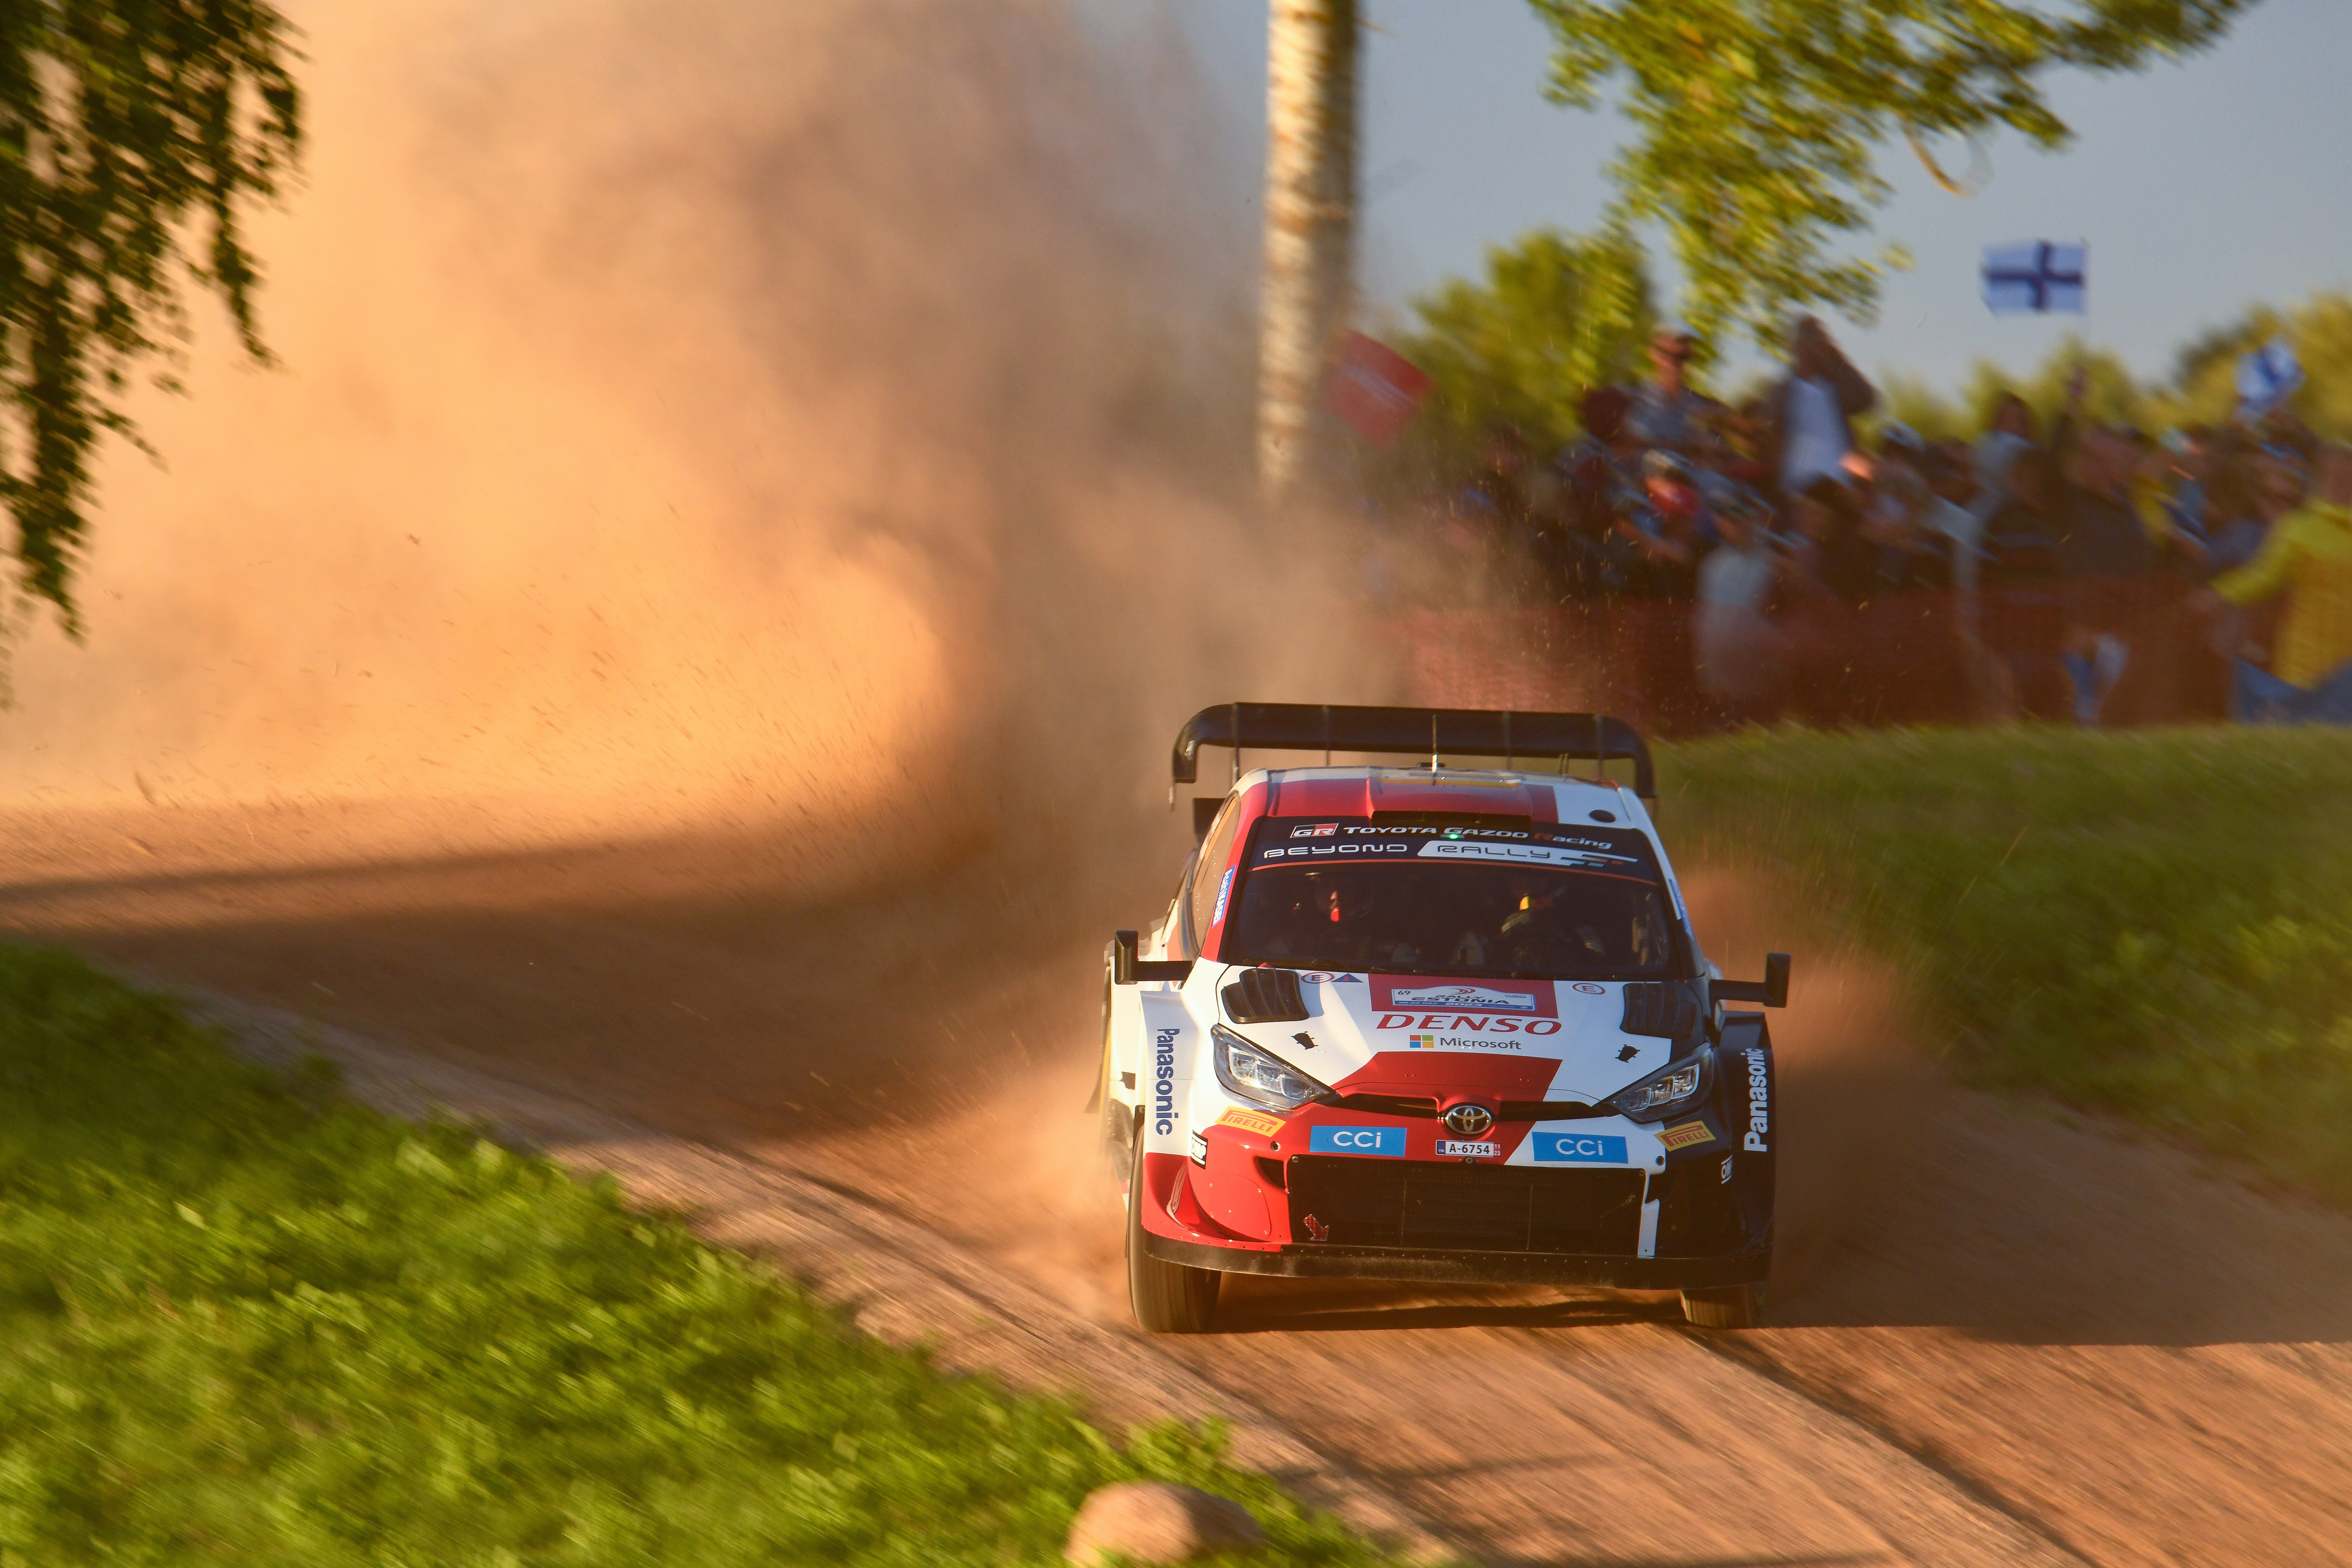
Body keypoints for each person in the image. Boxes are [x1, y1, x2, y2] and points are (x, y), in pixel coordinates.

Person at [2194, 442, 2352, 722]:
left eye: (2348, 476)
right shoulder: (2299, 527)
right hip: (2307, 664)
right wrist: (2220, 594)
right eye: (2336, 475)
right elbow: (2264, 575)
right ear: (2324, 480)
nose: (2342, 483)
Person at [1692, 487, 1788, 725]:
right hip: (1720, 672)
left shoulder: (1772, 564)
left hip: (1758, 670)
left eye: (1741, 517)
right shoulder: (1712, 565)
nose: (1734, 525)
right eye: (1727, 519)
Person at [1764, 315, 1877, 501]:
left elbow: (1868, 399)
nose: (1812, 347)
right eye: (1807, 340)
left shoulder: (1834, 387)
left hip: (1838, 484)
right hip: (1798, 487)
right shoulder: (1783, 392)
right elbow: (1771, 433)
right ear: (1796, 346)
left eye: (1818, 339)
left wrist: (1836, 358)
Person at [1628, 322, 1723, 455]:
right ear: (1652, 353)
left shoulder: (1701, 407)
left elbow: (1714, 450)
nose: (1672, 363)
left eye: (1681, 357)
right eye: (1665, 354)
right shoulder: (1631, 398)